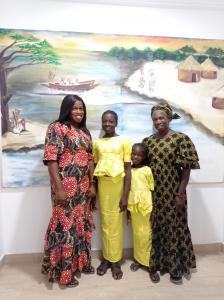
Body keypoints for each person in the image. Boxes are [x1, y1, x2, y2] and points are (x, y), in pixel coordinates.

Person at [41, 94, 96, 288]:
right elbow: (51, 159)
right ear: (67, 109)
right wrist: (59, 189)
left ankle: (80, 264)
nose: (79, 112)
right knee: (65, 229)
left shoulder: (85, 133)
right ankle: (64, 273)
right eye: (75, 108)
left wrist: (92, 184)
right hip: (64, 190)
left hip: (82, 191)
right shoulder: (56, 128)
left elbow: (90, 159)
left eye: (81, 108)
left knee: (80, 227)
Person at [142, 101, 200, 285]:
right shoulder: (148, 142)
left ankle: (177, 268)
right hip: (155, 193)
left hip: (174, 192)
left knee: (175, 227)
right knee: (158, 227)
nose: (158, 121)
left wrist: (180, 194)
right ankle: (161, 263)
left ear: (168, 119)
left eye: (161, 118)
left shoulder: (181, 139)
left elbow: (186, 169)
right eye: (155, 119)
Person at [93, 110, 132, 280]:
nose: (107, 124)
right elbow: (93, 169)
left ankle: (116, 261)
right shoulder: (97, 143)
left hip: (118, 186)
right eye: (104, 121)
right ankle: (106, 259)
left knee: (116, 224)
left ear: (116, 122)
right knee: (105, 223)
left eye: (111, 121)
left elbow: (128, 169)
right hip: (103, 185)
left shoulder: (124, 141)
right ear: (102, 123)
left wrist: (125, 196)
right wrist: (93, 190)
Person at [127, 143, 159, 282]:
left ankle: (151, 266)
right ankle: (139, 260)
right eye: (134, 154)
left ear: (144, 156)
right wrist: (128, 212)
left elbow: (152, 190)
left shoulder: (147, 170)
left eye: (139, 155)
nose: (136, 157)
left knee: (146, 236)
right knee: (137, 236)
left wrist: (154, 211)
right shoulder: (128, 170)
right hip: (133, 207)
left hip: (146, 207)